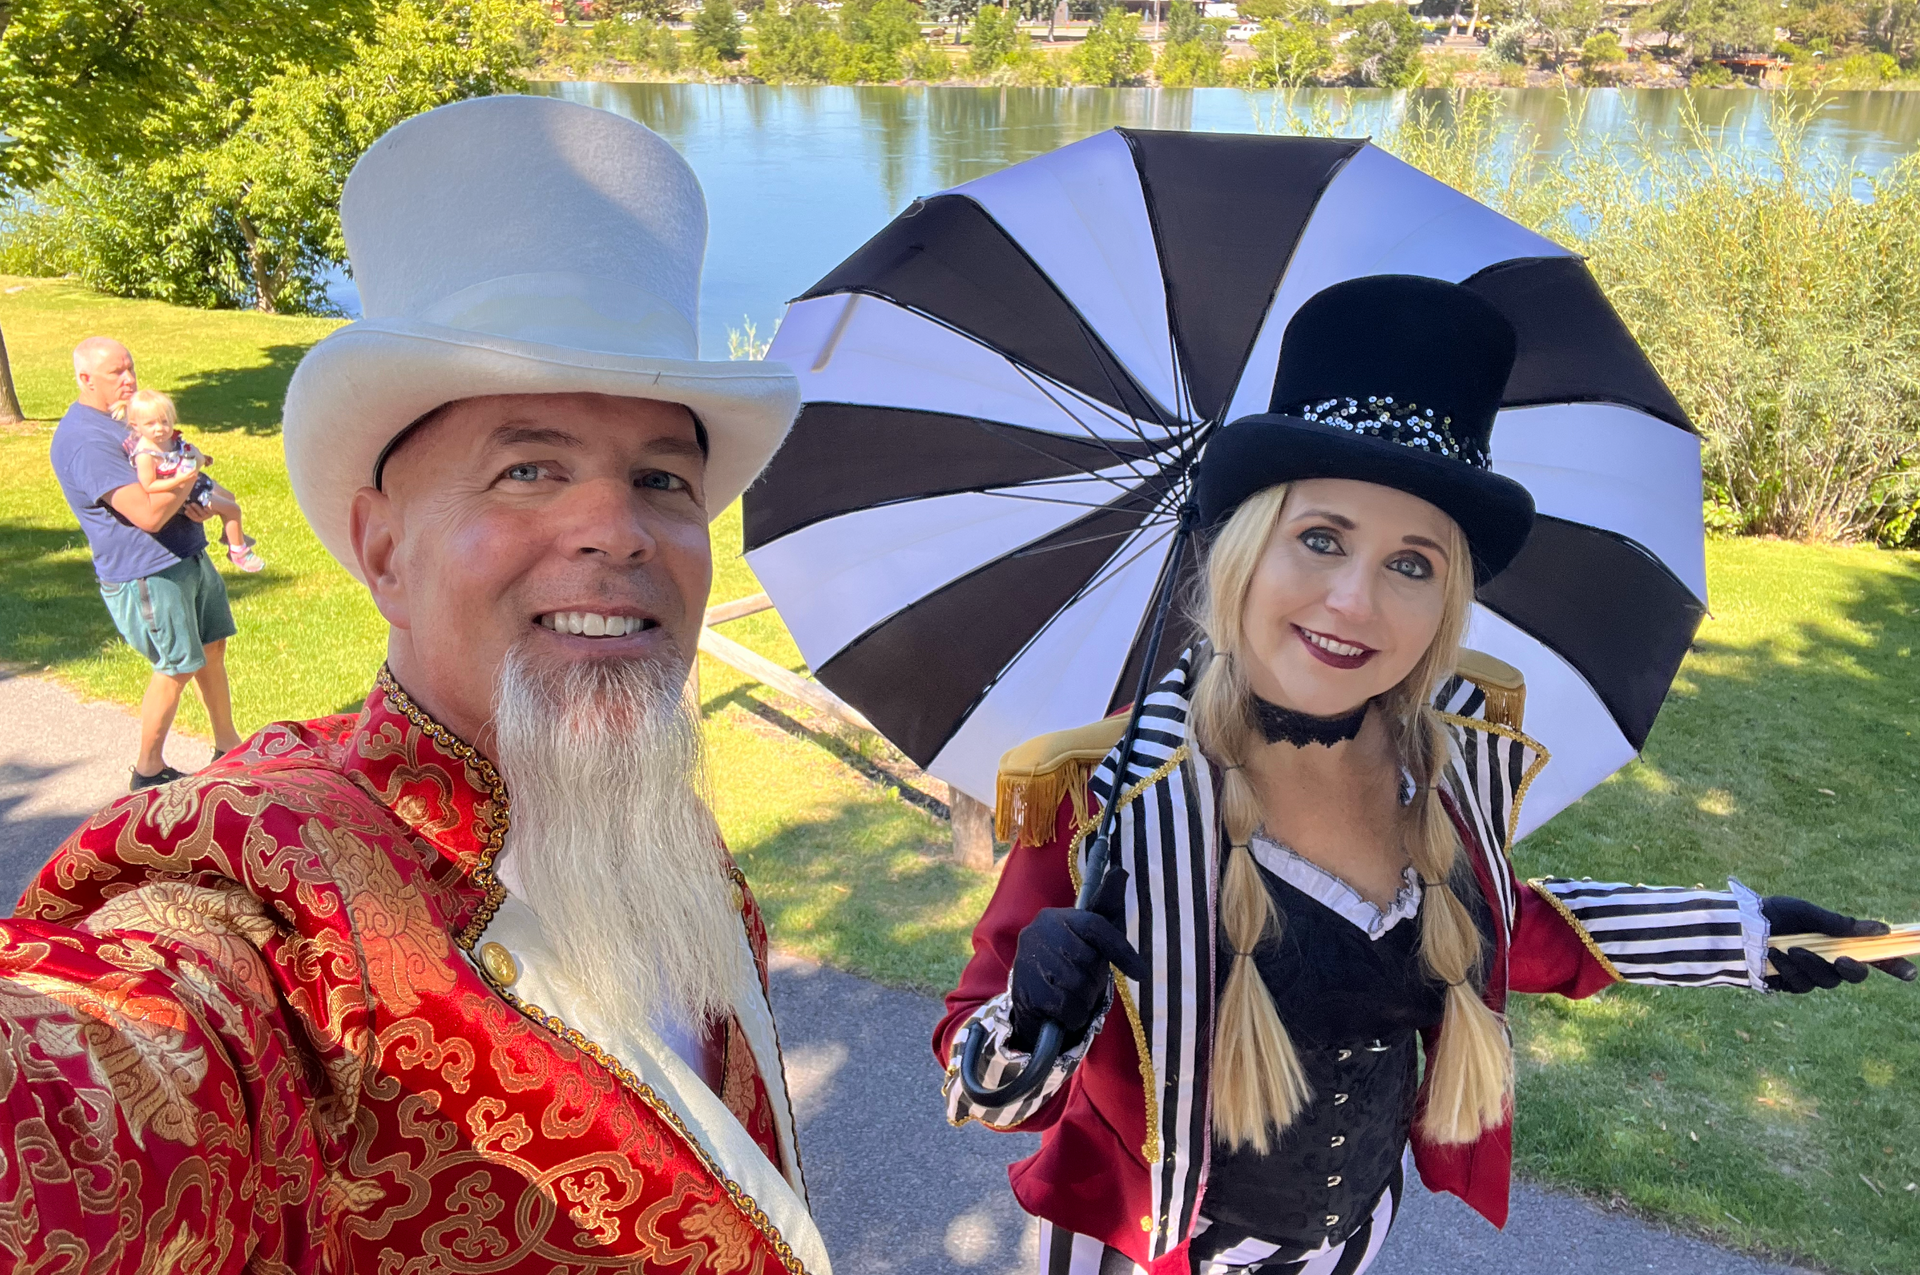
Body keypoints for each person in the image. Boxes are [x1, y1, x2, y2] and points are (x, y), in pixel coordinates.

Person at [936, 276, 1914, 1275]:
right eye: (1320, 538)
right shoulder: (1111, 804)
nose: (1355, 601)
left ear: (1447, 598)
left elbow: (1512, 933)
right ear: (1239, 550)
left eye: (1413, 562)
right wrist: (1032, 1016)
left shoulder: (1440, 773)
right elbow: (977, 1090)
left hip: (1348, 1244)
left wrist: (1752, 938)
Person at [0, 95, 826, 1273]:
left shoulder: (660, 827)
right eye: (528, 468)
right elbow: (111, 1074)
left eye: (661, 479)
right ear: (383, 549)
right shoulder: (274, 883)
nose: (616, 529)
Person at [50, 337, 243, 789]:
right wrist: (190, 478)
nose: (129, 379)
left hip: (185, 554)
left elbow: (165, 478)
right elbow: (148, 513)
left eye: (130, 368)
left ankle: (228, 746)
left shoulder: (125, 420)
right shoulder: (85, 440)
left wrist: (200, 500)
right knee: (176, 664)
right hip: (148, 572)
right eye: (116, 372)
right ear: (85, 379)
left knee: (212, 645)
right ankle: (147, 769)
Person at [117, 386, 265, 572]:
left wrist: (202, 457)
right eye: (151, 424)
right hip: (187, 495)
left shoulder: (168, 439)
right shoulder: (146, 454)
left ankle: (231, 536)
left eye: (165, 422)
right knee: (232, 510)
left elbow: (184, 451)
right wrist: (179, 480)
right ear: (135, 425)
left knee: (229, 497)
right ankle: (238, 552)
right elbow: (149, 485)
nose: (160, 429)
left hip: (194, 482)